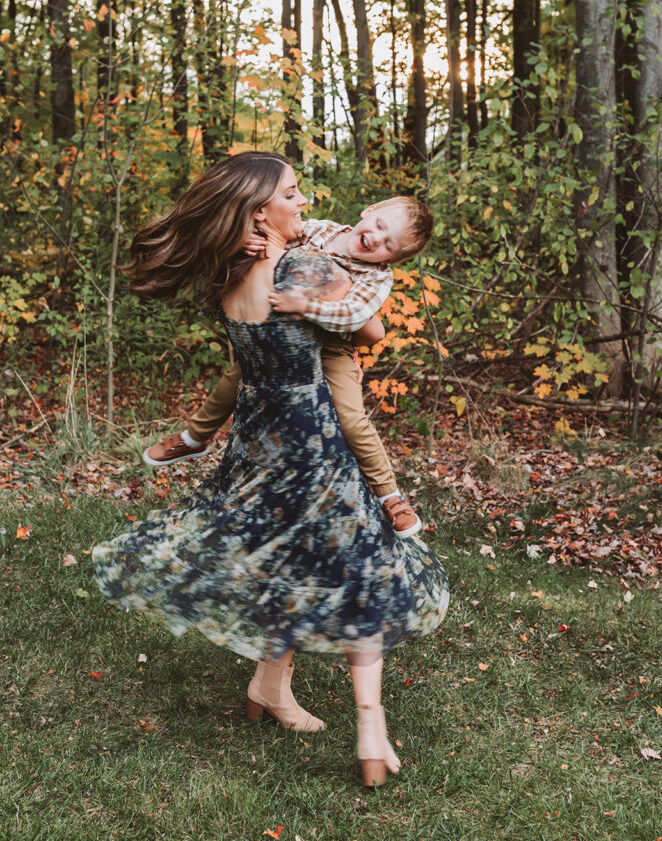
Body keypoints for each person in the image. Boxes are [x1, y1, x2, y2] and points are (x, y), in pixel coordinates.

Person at [92, 151, 449, 787]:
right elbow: (368, 334)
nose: (305, 202)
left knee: (286, 558)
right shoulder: (308, 265)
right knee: (359, 567)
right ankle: (371, 725)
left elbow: (245, 361)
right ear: (262, 209)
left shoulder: (228, 272)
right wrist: (337, 294)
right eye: (292, 193)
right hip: (311, 437)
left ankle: (269, 687)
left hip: (256, 436)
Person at [142, 196, 433, 539]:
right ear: (369, 211)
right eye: (380, 226)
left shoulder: (376, 278)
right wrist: (247, 238)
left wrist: (306, 305)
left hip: (333, 346)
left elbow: (355, 314)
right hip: (287, 334)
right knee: (237, 376)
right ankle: (194, 437)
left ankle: (390, 495)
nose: (376, 239)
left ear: (392, 258)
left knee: (352, 418)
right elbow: (277, 239)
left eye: (388, 245)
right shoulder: (320, 230)